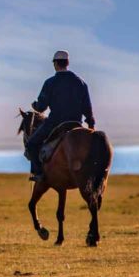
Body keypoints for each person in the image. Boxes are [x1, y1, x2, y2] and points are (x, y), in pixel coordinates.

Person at [25, 50, 95, 181]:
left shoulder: (50, 83)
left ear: (55, 64)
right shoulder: (80, 82)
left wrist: (34, 105)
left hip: (55, 123)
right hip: (76, 123)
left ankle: (38, 173)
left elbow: (41, 107)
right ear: (67, 63)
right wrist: (91, 124)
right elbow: (87, 106)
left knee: (31, 144)